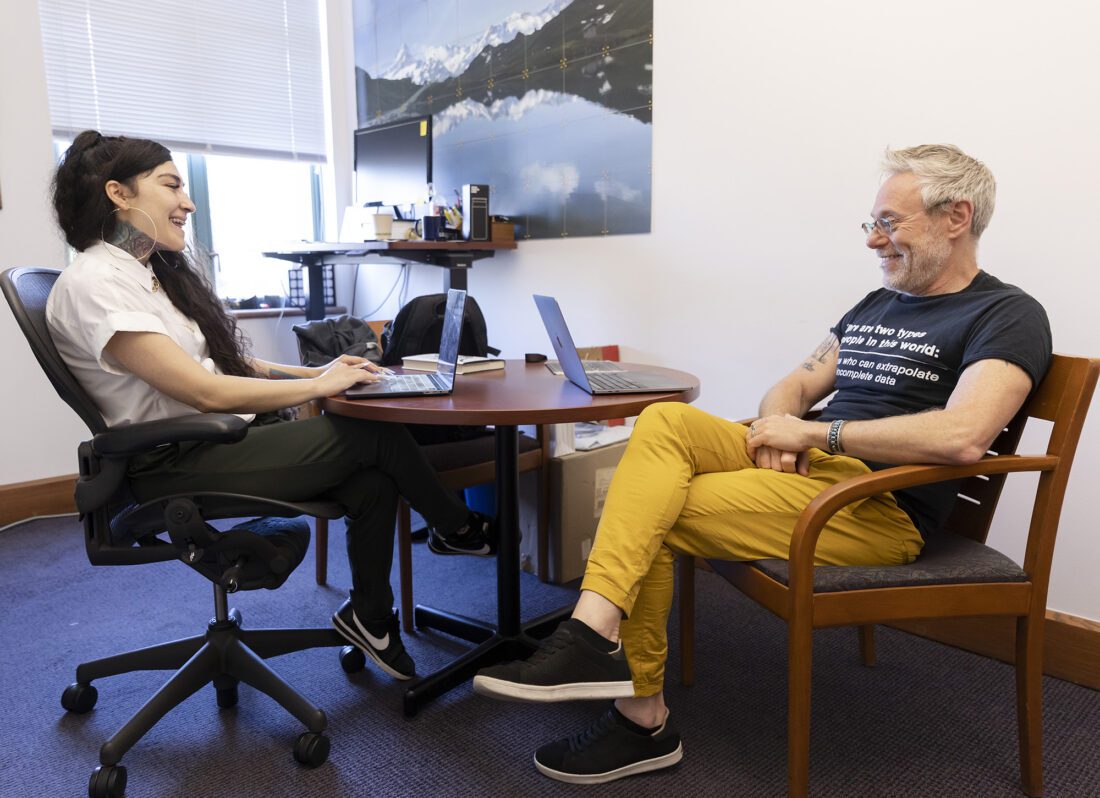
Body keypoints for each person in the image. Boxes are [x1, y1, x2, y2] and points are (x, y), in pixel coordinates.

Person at [472, 144, 1053, 784]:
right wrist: (784, 430)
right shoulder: (875, 305)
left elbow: (964, 435)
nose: (874, 241)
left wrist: (820, 436)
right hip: (816, 470)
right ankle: (592, 636)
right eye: (872, 224)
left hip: (876, 504)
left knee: (654, 510)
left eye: (889, 223)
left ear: (956, 217)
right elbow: (792, 389)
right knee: (664, 419)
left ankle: (639, 716)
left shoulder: (1007, 315)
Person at [46, 129, 497, 681]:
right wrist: (318, 388)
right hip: (171, 460)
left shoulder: (145, 276)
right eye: (171, 185)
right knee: (372, 438)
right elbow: (204, 392)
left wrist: (326, 373)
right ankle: (458, 529)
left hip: (213, 441)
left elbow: (228, 368)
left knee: (372, 484)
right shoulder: (92, 283)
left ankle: (371, 620)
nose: (187, 201)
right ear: (119, 194)